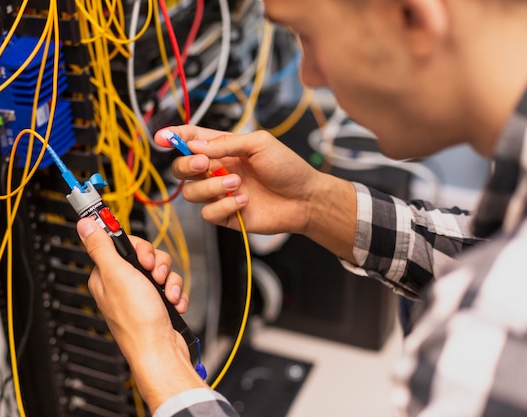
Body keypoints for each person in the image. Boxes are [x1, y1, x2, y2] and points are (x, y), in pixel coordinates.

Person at [76, 0, 527, 415]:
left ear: (411, 16)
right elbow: (481, 249)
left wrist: (157, 360)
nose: (309, 76)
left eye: (307, 37)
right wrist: (312, 203)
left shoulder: (490, 326)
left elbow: (492, 288)